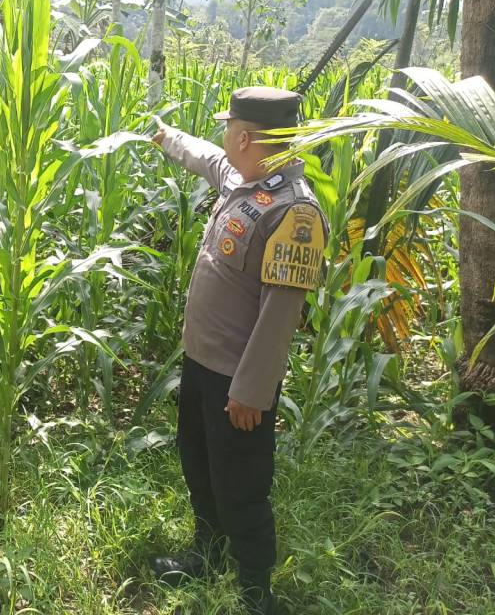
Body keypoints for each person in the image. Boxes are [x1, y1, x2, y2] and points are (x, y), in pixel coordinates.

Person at [148, 87, 327, 615]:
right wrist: (166, 137)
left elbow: (280, 315)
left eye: (228, 128)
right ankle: (206, 552)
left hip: (237, 381)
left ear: (245, 138)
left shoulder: (294, 213)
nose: (223, 136)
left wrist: (251, 391)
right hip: (201, 363)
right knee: (199, 464)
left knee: (241, 485)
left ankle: (255, 591)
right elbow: (206, 158)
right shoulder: (243, 181)